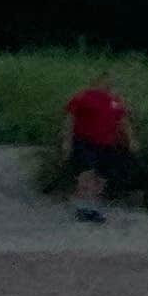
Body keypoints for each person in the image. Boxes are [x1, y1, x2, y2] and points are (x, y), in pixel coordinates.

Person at [60, 77, 137, 222]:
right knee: (86, 174)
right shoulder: (83, 97)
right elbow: (70, 118)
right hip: (84, 141)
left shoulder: (115, 101)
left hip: (107, 143)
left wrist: (130, 140)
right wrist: (67, 141)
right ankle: (82, 207)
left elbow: (124, 121)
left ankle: (93, 208)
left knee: (101, 178)